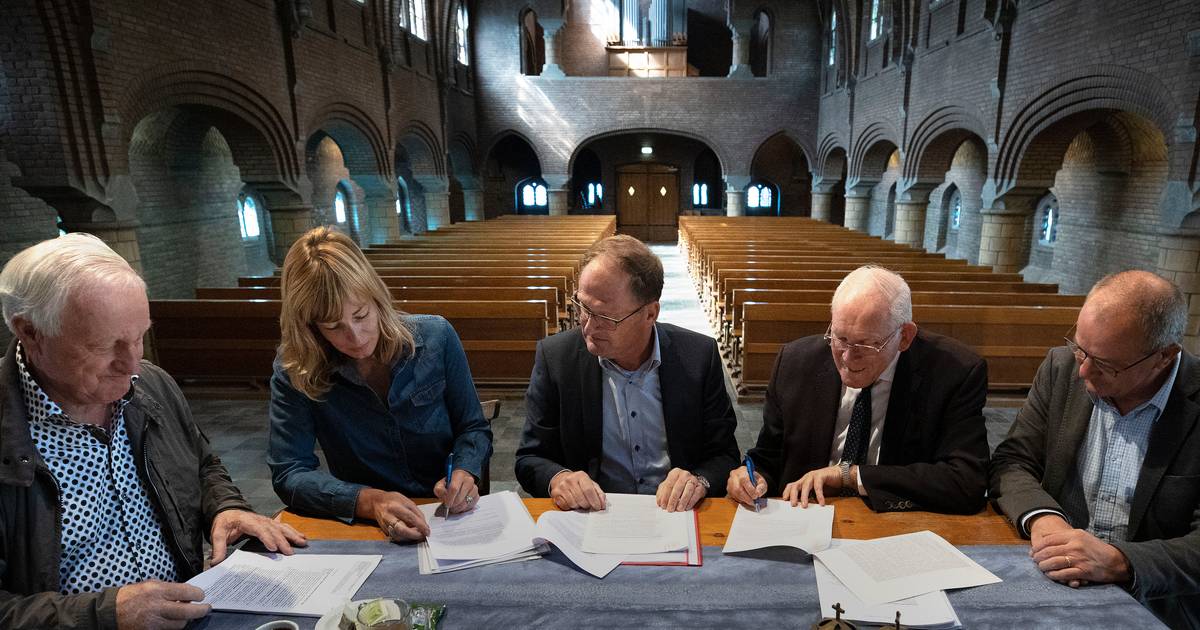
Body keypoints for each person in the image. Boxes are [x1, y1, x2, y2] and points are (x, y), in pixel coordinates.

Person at [0, 233, 306, 629]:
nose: (132, 365)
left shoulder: (152, 385)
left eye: (140, 337)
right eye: (104, 345)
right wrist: (105, 616)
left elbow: (201, 463)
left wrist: (226, 506)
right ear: (30, 332)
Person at [990, 270, 1200, 628]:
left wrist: (1120, 561)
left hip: (1157, 602)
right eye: (1080, 349)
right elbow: (1012, 461)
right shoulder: (1060, 367)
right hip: (1052, 578)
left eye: (1104, 364)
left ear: (1164, 356)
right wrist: (1044, 519)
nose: (1083, 371)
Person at [268, 226, 492, 542]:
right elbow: (290, 472)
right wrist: (370, 502)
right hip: (365, 525)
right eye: (334, 327)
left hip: (444, 514)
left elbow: (473, 428)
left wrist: (465, 471)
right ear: (311, 329)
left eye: (361, 316)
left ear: (377, 299)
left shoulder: (435, 338)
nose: (356, 338)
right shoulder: (295, 369)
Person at [727, 265, 990, 513]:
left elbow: (967, 481)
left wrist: (850, 476)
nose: (847, 358)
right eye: (840, 338)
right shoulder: (796, 362)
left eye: (866, 345)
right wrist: (752, 476)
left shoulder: (954, 372)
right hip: (804, 517)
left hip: (893, 522)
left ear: (905, 337)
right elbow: (769, 456)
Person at [515, 235, 740, 513]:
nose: (587, 327)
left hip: (675, 514)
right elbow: (530, 457)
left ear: (650, 314)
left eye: (606, 318)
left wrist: (699, 481)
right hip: (595, 515)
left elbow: (725, 455)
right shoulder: (556, 358)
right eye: (583, 308)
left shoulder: (699, 355)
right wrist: (558, 479)